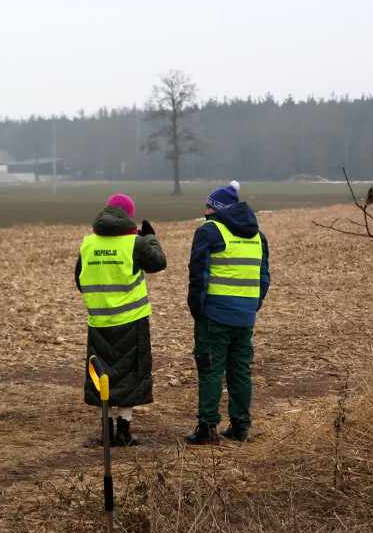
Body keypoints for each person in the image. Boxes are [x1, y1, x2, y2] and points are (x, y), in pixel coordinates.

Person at [76, 194, 167, 447]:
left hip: (99, 322)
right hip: (131, 321)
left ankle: (105, 433)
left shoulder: (88, 245)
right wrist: (150, 237)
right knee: (130, 374)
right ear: (129, 216)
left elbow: (79, 280)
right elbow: (159, 263)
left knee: (100, 375)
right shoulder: (134, 244)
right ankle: (124, 432)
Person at [184, 181, 270, 445]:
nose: (206, 209)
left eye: (208, 205)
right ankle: (240, 427)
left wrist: (198, 311)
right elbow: (263, 278)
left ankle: (207, 430)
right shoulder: (258, 236)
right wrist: (251, 306)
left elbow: (198, 276)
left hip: (215, 316)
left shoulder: (209, 231)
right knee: (240, 371)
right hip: (244, 317)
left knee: (210, 370)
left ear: (216, 208)